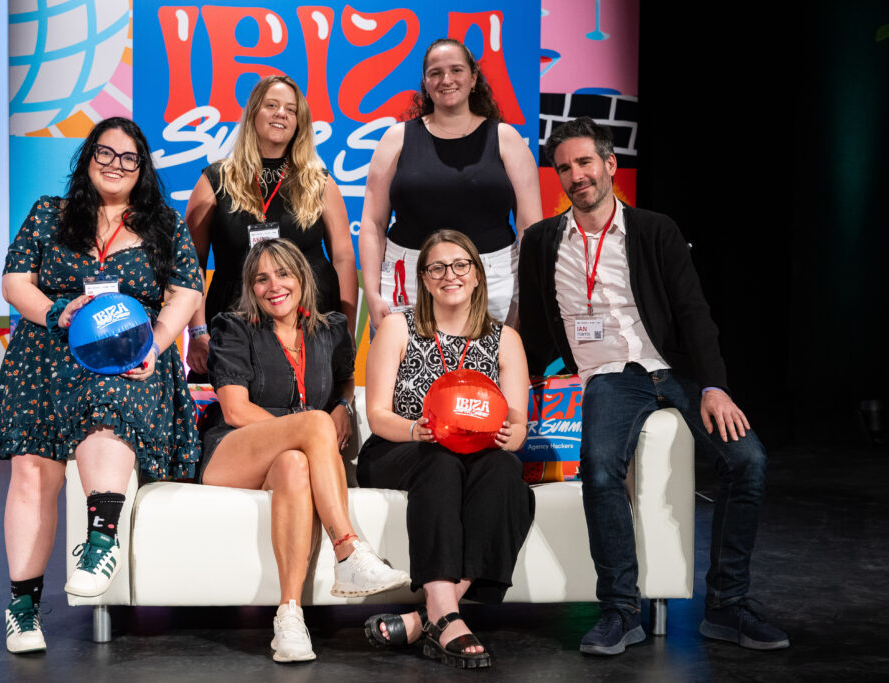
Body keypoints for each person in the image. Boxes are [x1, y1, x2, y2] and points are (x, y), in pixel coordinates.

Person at [518, 116, 789, 655]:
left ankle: (727, 605)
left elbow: (693, 313)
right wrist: (523, 383)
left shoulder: (655, 229)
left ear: (610, 165)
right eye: (565, 167)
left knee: (748, 461)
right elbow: (530, 330)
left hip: (673, 370)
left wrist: (714, 386)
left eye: (585, 163)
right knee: (599, 472)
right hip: (608, 378)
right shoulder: (542, 241)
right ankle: (620, 611)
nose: (576, 176)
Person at [0, 117, 204, 654]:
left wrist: (155, 340)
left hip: (128, 359)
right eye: (105, 153)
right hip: (45, 357)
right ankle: (22, 609)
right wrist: (58, 313)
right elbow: (15, 281)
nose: (115, 164)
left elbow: (186, 291)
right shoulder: (48, 215)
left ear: (142, 168)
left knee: (109, 411)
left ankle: (100, 541)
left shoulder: (164, 225)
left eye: (128, 157)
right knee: (33, 475)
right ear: (87, 158)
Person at [198, 238, 410, 663]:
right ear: (250, 287)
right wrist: (312, 427)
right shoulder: (233, 326)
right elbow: (236, 410)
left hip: (288, 458)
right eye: (261, 279)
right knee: (313, 424)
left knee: (296, 465)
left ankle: (289, 616)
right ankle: (348, 549)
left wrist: (343, 405)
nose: (273, 285)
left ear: (302, 278)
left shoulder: (330, 329)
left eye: (283, 274)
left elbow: (344, 379)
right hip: (233, 451)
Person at [358, 230, 535, 669]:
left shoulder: (504, 339)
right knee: (439, 462)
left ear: (477, 275)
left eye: (460, 265)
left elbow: (517, 424)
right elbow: (377, 414)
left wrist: (512, 436)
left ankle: (432, 616)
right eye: (436, 267)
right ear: (423, 279)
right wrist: (415, 430)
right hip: (400, 448)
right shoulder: (398, 326)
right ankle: (443, 609)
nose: (449, 275)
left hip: (474, 455)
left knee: (507, 473)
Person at [359, 38, 542, 331]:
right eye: (435, 73)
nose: (446, 80)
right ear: (425, 83)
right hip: (407, 280)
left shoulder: (507, 139)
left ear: (473, 78)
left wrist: (526, 298)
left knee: (489, 376)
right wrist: (372, 293)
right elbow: (372, 222)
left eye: (456, 70)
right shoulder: (396, 139)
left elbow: (531, 230)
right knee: (404, 375)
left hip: (494, 282)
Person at [184, 75, 356, 381]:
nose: (282, 114)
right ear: (252, 114)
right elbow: (190, 263)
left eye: (291, 110)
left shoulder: (320, 182)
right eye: (272, 105)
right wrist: (197, 331)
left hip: (310, 331)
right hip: (235, 329)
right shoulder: (215, 180)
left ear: (300, 122)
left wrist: (348, 331)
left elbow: (343, 258)